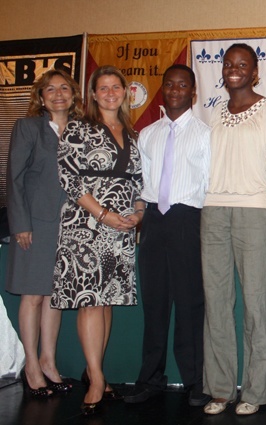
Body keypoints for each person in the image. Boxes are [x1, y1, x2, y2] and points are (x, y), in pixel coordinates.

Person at [201, 43, 266, 416]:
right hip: (213, 211)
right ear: (222, 71)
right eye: (228, 64)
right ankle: (221, 389)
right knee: (217, 303)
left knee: (255, 304)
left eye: (243, 64)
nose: (234, 69)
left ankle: (255, 390)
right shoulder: (214, 114)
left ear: (255, 72)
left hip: (255, 211)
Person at [50, 65, 144, 415]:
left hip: (121, 226)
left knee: (105, 301)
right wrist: (103, 215)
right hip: (85, 224)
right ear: (92, 94)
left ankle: (96, 374)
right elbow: (70, 180)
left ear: (125, 92)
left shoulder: (132, 133)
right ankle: (97, 380)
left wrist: (137, 215)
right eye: (102, 88)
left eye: (115, 87)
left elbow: (138, 184)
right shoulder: (78, 128)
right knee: (90, 300)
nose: (109, 93)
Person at [124, 65, 211, 407]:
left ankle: (195, 382)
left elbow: (208, 185)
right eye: (169, 85)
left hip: (189, 219)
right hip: (154, 223)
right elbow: (144, 185)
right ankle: (150, 379)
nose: (175, 90)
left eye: (183, 85)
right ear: (162, 90)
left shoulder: (206, 134)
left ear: (193, 92)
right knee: (155, 304)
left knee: (190, 305)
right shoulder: (148, 134)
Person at [6, 69, 82, 397]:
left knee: (54, 295)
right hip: (35, 225)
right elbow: (14, 177)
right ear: (40, 96)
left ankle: (49, 361)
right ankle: (32, 367)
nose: (58, 93)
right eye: (50, 89)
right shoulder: (28, 127)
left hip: (70, 225)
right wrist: (20, 223)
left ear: (73, 94)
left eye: (64, 88)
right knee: (33, 295)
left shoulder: (81, 130)